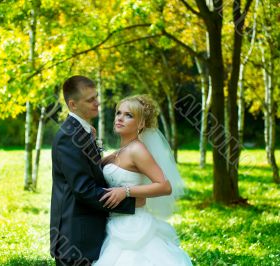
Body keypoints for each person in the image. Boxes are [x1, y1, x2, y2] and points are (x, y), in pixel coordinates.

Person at [50, 76, 146, 266]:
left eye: (96, 97)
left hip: (89, 235)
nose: (97, 103)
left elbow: (92, 172)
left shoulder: (83, 131)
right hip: (76, 240)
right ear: (73, 104)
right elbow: (84, 189)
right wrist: (130, 202)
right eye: (90, 100)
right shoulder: (69, 137)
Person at [93, 95, 193, 265]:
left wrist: (125, 191)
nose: (120, 118)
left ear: (141, 124)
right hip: (114, 220)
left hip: (133, 225)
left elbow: (164, 186)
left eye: (129, 115)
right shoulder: (120, 151)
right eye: (119, 113)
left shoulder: (137, 150)